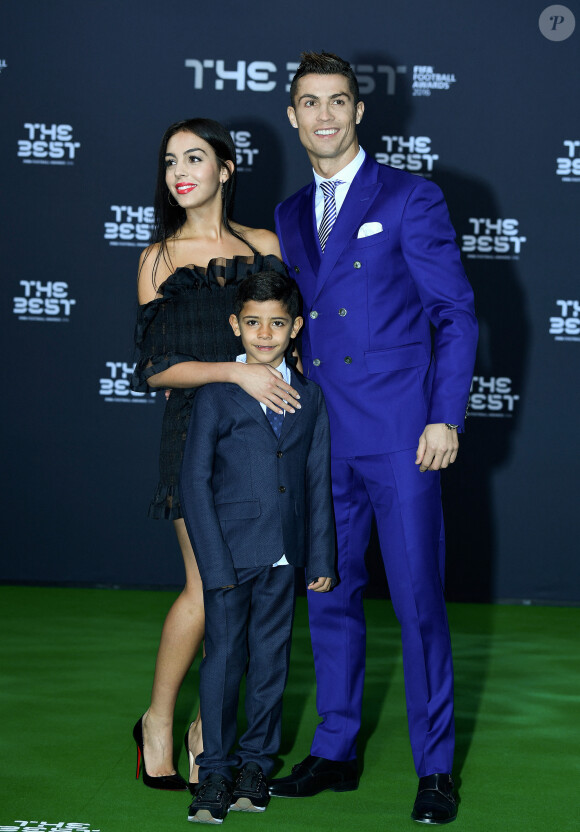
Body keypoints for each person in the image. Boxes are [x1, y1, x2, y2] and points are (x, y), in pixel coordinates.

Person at [269, 52, 478, 825]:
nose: (324, 115)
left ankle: (436, 768)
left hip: (400, 436)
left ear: (360, 112)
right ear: (293, 117)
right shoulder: (290, 214)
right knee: (328, 595)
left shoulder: (411, 196)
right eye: (308, 103)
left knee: (419, 600)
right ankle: (335, 748)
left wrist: (444, 416)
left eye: (338, 101)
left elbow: (456, 314)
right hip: (321, 435)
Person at [130, 118, 303, 792]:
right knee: (208, 590)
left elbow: (283, 336)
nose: (180, 171)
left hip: (259, 442)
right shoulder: (157, 259)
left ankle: (209, 730)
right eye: (171, 159)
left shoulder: (264, 246)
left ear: (226, 169)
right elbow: (154, 369)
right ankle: (158, 722)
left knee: (248, 595)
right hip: (193, 438)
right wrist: (232, 372)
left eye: (195, 158)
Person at [180, 271, 335, 824]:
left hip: (285, 555)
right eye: (252, 323)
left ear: (295, 328)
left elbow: (317, 480)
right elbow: (193, 483)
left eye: (276, 323)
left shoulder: (311, 398)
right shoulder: (218, 395)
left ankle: (255, 765)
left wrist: (320, 556)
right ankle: (215, 770)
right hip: (230, 553)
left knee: (272, 661)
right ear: (235, 326)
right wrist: (212, 561)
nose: (264, 334)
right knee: (224, 661)